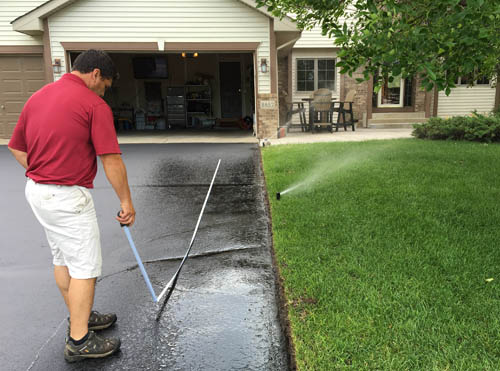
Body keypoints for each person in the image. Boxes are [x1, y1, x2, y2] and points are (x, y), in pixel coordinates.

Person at [7, 49, 135, 363]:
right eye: (105, 84)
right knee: (85, 268)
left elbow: (15, 147)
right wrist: (126, 202)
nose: (104, 90)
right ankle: (79, 340)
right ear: (95, 74)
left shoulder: (39, 96)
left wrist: (42, 173)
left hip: (37, 192)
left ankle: (81, 316)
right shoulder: (94, 105)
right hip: (66, 198)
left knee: (63, 257)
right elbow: (111, 159)